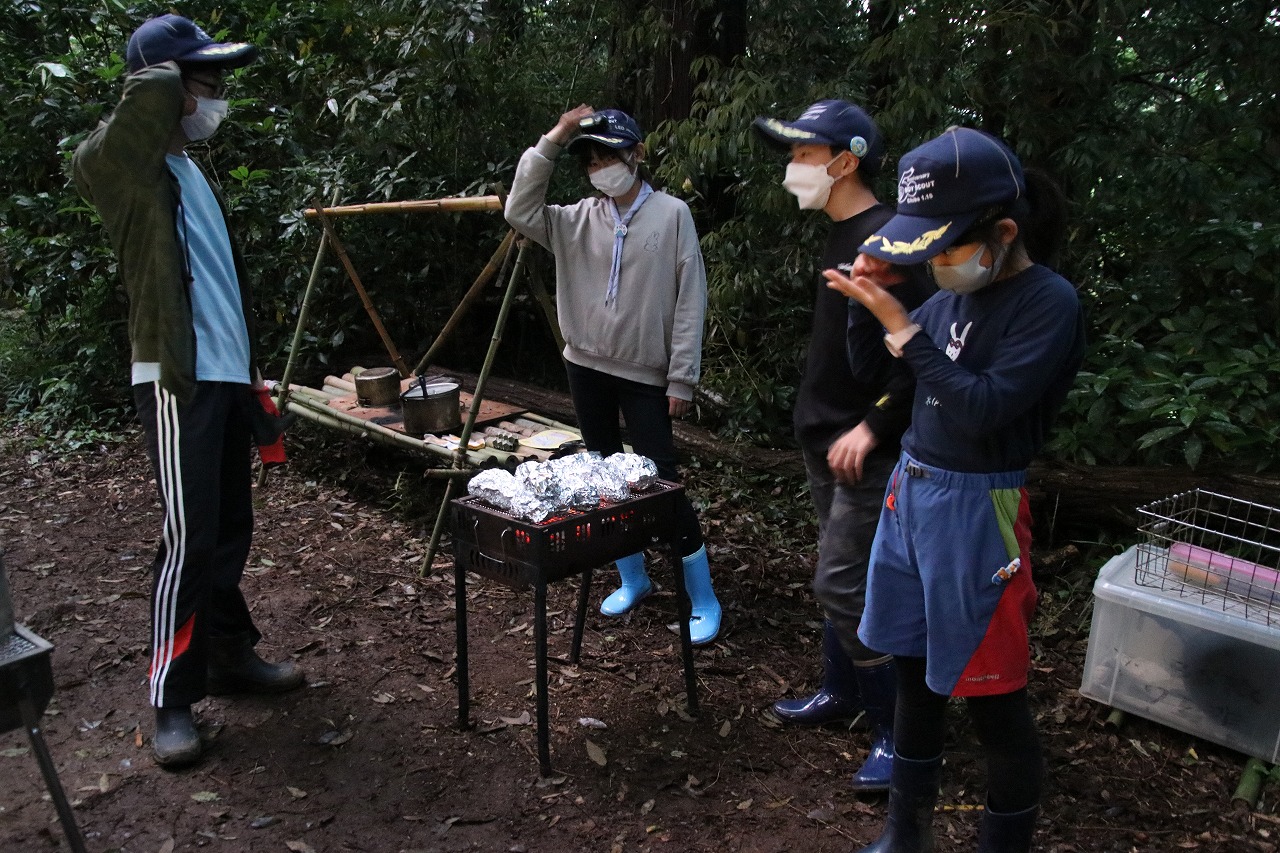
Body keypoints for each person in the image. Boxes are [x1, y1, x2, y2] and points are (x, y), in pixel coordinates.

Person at [823, 127, 1085, 853]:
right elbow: (880, 376)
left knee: (993, 695)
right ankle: (905, 834)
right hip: (911, 492)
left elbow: (982, 410)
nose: (936, 263)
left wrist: (903, 329)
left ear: (1003, 233)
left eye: (945, 247)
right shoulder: (943, 304)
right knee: (914, 672)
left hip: (979, 509)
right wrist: (867, 302)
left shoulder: (1047, 302)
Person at [73, 14, 304, 768]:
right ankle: (171, 697)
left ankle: (229, 654)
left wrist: (252, 373)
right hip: (177, 379)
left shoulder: (190, 173)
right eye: (204, 81)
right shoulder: (121, 169)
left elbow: (219, 286)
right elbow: (128, 121)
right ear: (164, 87)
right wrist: (164, 74)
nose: (216, 96)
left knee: (230, 528)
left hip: (227, 375)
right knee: (190, 536)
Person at [751, 100, 932, 792]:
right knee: (838, 573)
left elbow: (922, 353)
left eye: (803, 154)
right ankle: (842, 690)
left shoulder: (892, 239)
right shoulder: (840, 233)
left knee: (846, 582)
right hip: (823, 435)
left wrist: (873, 427)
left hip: (866, 447)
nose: (792, 168)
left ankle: (897, 734)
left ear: (845, 161)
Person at [505, 105, 721, 645]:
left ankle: (702, 597)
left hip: (646, 374)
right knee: (602, 474)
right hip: (585, 367)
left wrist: (682, 377)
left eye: (609, 156)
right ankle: (633, 577)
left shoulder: (672, 214)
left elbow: (690, 297)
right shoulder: (575, 220)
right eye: (592, 161)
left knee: (661, 482)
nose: (601, 168)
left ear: (637, 154)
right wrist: (556, 136)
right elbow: (518, 208)